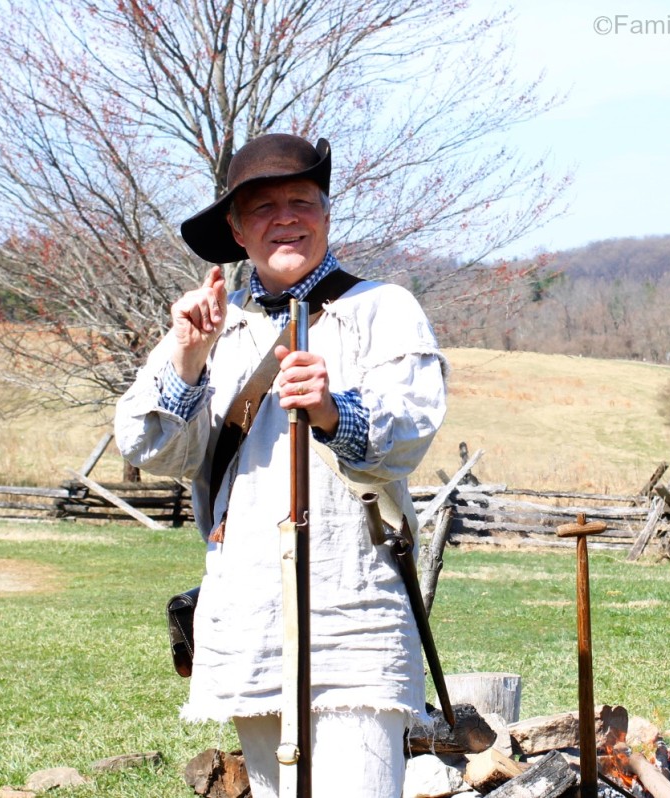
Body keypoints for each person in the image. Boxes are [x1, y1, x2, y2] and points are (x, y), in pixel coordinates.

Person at [114, 133, 448, 798]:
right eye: (263, 207)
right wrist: (186, 356)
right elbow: (149, 448)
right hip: (250, 611)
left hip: (352, 607)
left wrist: (331, 410)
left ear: (326, 214)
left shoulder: (382, 309)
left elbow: (409, 430)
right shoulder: (213, 326)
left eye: (301, 200)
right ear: (237, 230)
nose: (285, 217)